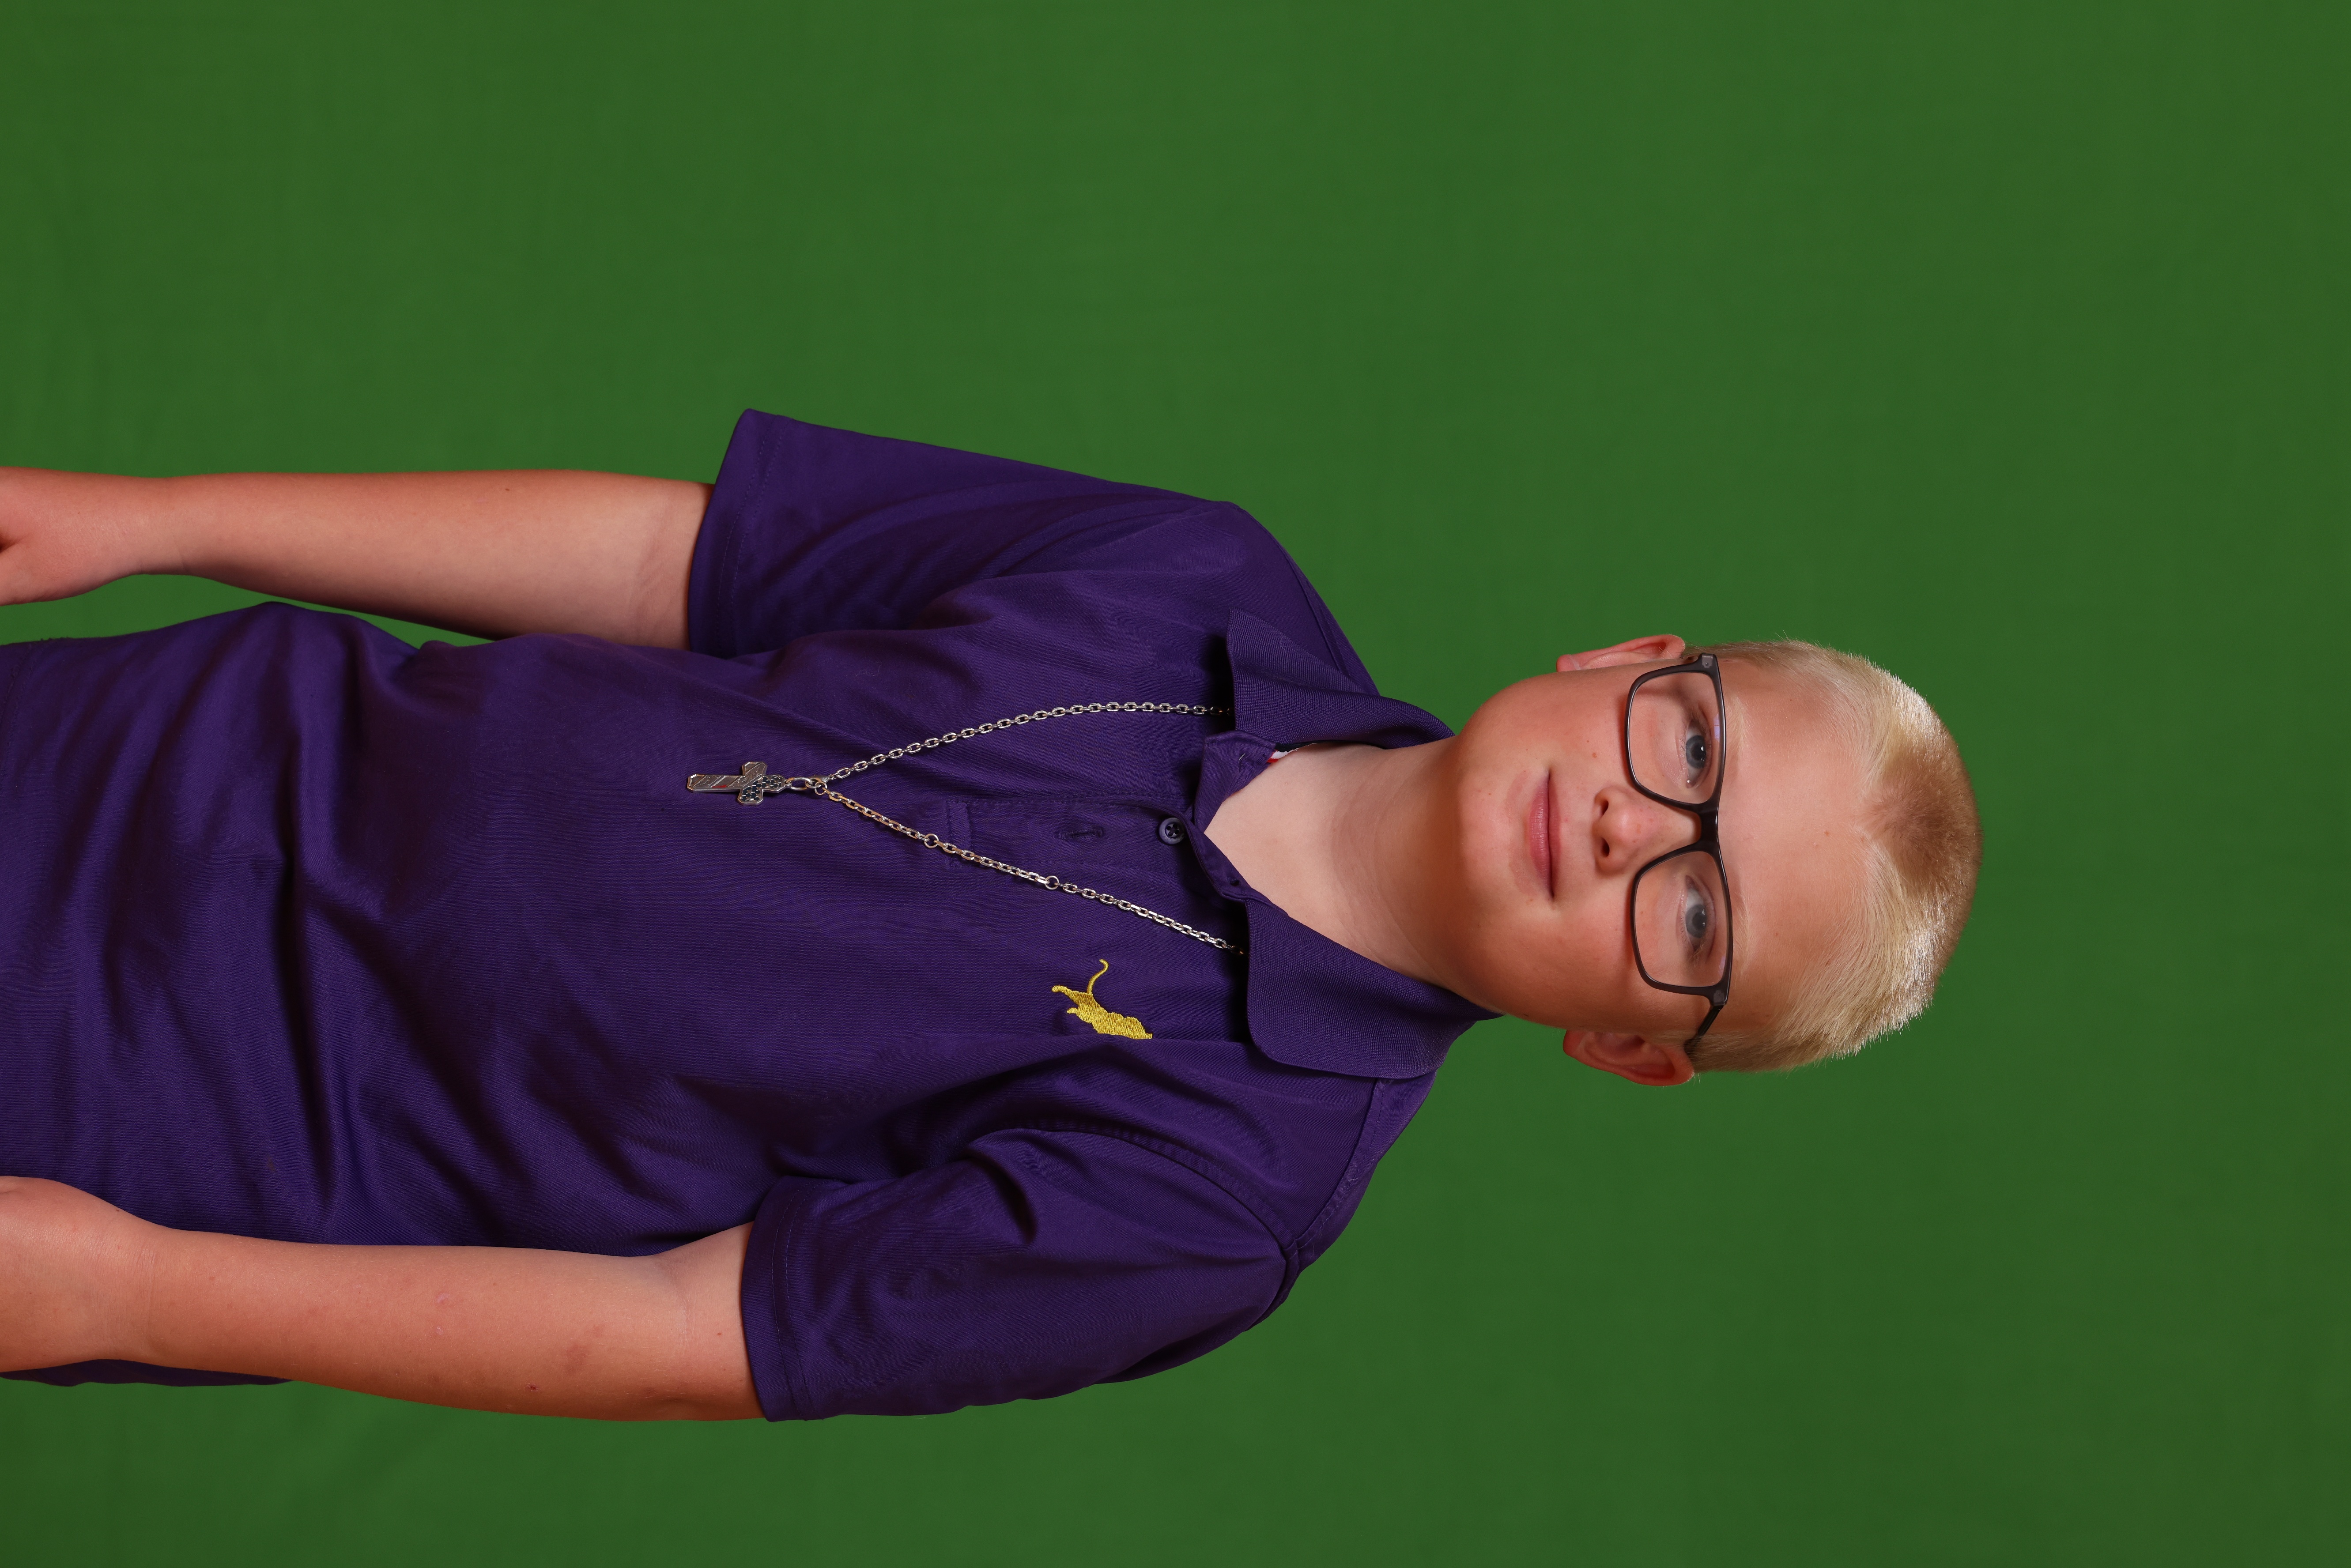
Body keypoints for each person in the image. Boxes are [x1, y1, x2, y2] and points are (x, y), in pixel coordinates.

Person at [0, 411, 1980, 1421]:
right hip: (177, 745)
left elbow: (682, 1328)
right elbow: (675, 558)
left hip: (179, 1123)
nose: (1635, 824)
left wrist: (133, 1292)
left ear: (1630, 1044)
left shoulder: (1225, 1196)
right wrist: (163, 518)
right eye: (1691, 744)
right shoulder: (1195, 575)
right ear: (1629, 655)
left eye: (1697, 915)